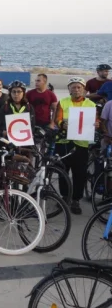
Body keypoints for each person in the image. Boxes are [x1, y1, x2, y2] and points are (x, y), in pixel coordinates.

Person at [55, 77, 99, 214]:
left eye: (79, 87)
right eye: (73, 87)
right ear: (69, 89)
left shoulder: (91, 105)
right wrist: (62, 124)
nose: (76, 89)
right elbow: (57, 119)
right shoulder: (63, 102)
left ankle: (76, 199)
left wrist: (96, 124)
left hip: (81, 143)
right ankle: (64, 196)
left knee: (79, 173)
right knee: (63, 171)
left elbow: (96, 121)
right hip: (64, 142)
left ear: (84, 89)